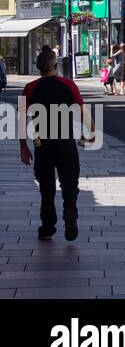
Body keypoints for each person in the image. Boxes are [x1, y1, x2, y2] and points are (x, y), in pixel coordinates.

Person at [19, 45, 95, 241]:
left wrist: (23, 148)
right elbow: (82, 112)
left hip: (42, 145)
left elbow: (20, 121)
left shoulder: (30, 88)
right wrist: (92, 133)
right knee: (70, 183)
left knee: (46, 187)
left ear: (39, 67)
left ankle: (48, 225)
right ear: (55, 65)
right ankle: (70, 211)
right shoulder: (68, 85)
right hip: (65, 142)